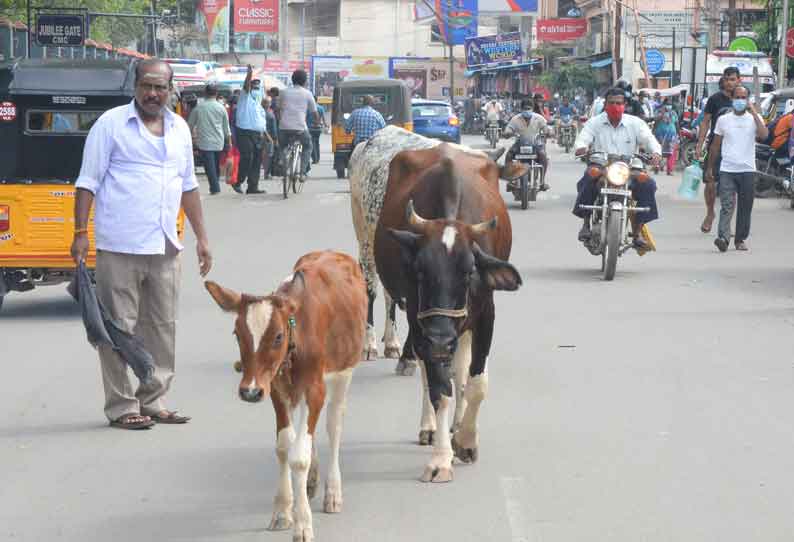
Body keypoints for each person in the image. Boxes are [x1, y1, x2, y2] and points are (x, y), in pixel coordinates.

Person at [70, 59, 212, 430]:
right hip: (120, 244)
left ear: (171, 89)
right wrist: (80, 233)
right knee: (117, 327)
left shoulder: (180, 128)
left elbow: (188, 187)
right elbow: (87, 181)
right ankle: (121, 405)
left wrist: (202, 238)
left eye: (160, 87)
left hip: (165, 244)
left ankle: (154, 398)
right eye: (147, 86)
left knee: (163, 326)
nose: (153, 94)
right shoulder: (111, 125)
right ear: (135, 86)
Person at [573, 87, 662, 246]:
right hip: (601, 166)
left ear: (625, 105)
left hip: (630, 168)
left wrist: (656, 153)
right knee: (588, 179)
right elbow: (583, 138)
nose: (615, 106)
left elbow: (649, 139)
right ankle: (585, 223)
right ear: (605, 105)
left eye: (619, 103)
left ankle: (637, 231)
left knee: (648, 184)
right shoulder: (595, 122)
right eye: (612, 103)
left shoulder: (635, 123)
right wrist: (581, 147)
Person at [705, 85, 768, 252]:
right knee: (727, 204)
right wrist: (710, 168)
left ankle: (740, 239)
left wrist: (754, 112)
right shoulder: (723, 120)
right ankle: (723, 238)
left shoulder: (754, 119)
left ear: (747, 100)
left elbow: (764, 135)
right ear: (732, 99)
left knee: (745, 206)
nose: (740, 101)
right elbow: (715, 146)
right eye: (737, 97)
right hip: (727, 169)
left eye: (743, 98)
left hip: (747, 170)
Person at [697, 67, 740, 233]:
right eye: (728, 79)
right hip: (716, 147)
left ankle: (727, 222)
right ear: (724, 80)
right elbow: (705, 122)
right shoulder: (715, 99)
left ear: (738, 80)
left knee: (732, 188)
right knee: (710, 183)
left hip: (735, 149)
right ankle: (710, 213)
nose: (730, 82)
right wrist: (699, 145)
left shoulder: (742, 98)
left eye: (733, 79)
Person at [188, 84, 231, 195]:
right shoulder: (221, 108)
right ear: (216, 94)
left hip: (205, 142)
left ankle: (215, 188)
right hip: (219, 141)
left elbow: (189, 125)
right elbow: (226, 127)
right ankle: (215, 185)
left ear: (205, 93)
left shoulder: (198, 108)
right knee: (215, 165)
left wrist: (189, 140)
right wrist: (229, 142)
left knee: (210, 166)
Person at [279, 69, 318, 179]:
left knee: (282, 145)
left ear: (292, 79)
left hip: (284, 127)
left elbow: (278, 109)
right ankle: (302, 173)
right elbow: (314, 113)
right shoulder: (307, 93)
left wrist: (280, 120)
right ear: (305, 81)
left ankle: (282, 159)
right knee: (308, 146)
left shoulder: (283, 92)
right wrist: (317, 122)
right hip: (300, 128)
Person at [503, 98, 550, 190]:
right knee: (508, 156)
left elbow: (546, 129)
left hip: (535, 143)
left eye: (529, 108)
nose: (527, 111)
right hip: (519, 143)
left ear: (532, 109)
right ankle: (510, 180)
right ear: (521, 109)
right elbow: (508, 130)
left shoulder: (539, 118)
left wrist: (548, 133)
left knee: (543, 156)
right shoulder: (515, 119)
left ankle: (542, 182)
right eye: (525, 109)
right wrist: (507, 133)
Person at [234, 65, 266, 194]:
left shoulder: (258, 104)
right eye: (254, 86)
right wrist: (249, 75)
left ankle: (253, 186)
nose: (256, 89)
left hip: (258, 134)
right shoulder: (244, 97)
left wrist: (264, 133)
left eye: (258, 87)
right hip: (244, 132)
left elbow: (261, 121)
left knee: (257, 160)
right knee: (248, 157)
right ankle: (238, 181)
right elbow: (246, 86)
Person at [654, 98, 679, 176]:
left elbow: (677, 123)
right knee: (658, 151)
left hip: (672, 134)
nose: (669, 106)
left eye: (670, 104)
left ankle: (670, 170)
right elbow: (656, 121)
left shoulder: (674, 113)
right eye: (667, 104)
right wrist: (662, 114)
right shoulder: (659, 111)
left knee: (671, 153)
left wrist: (678, 134)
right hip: (660, 134)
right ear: (664, 105)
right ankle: (657, 166)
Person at [262, 96, 279, 179]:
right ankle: (266, 174)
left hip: (259, 136)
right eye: (269, 102)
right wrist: (275, 139)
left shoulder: (259, 112)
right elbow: (274, 128)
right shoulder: (270, 114)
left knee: (261, 156)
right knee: (269, 156)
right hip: (269, 138)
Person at [307, 95, 326, 164]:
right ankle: (317, 158)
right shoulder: (321, 108)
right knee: (317, 143)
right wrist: (325, 125)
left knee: (312, 143)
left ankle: (315, 159)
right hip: (318, 128)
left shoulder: (308, 108)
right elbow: (323, 119)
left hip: (310, 128)